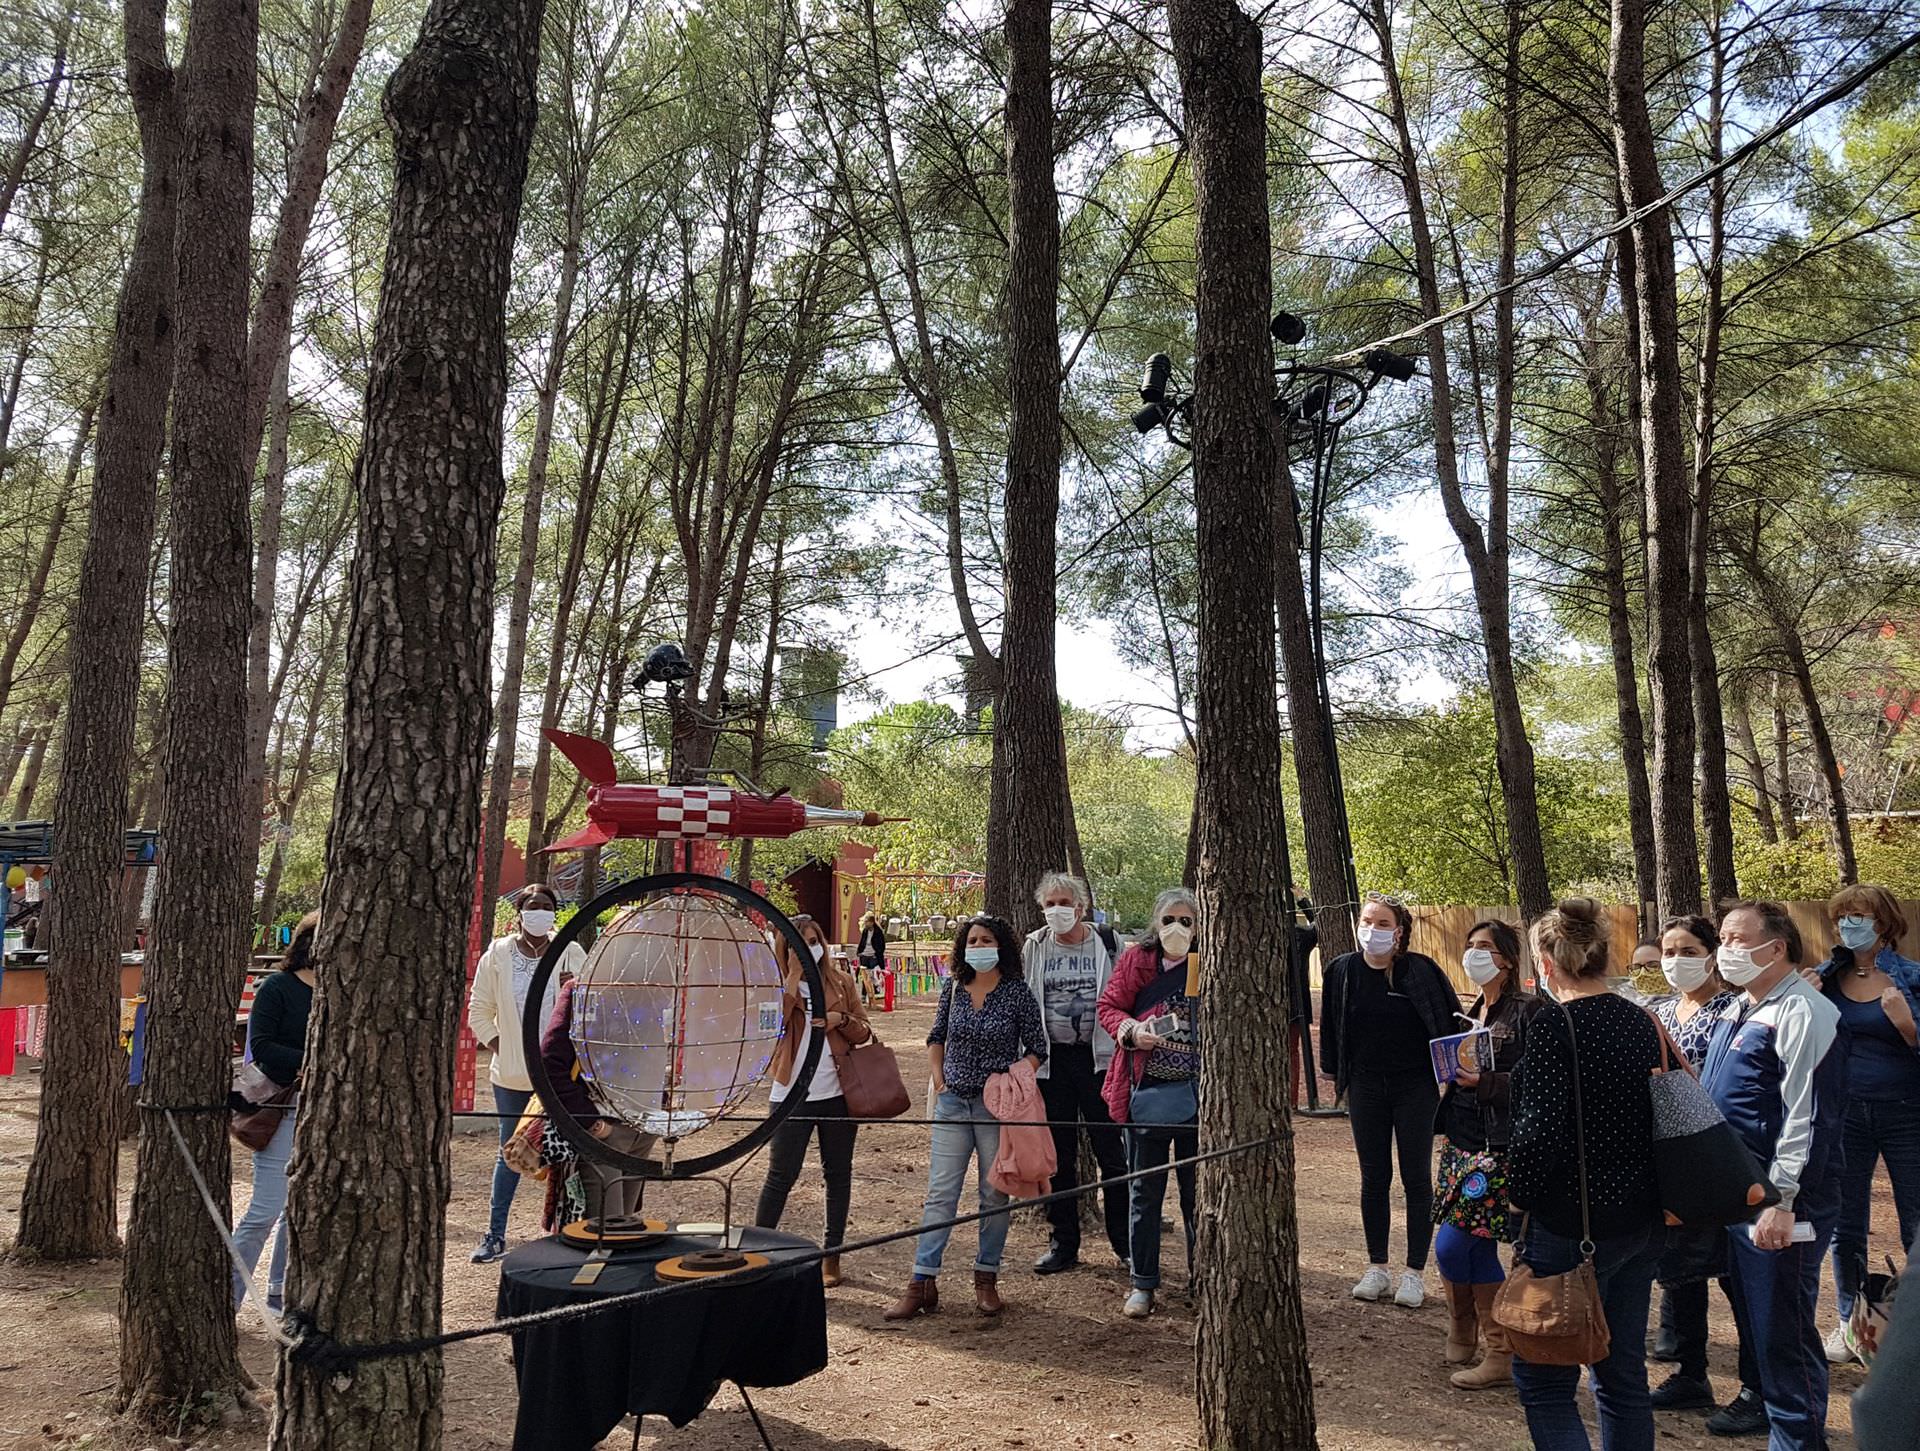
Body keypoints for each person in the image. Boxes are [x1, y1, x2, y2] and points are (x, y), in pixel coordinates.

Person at [1508, 896, 1666, 1451]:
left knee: (1543, 1376)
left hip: (1571, 1223)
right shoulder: (1641, 1019)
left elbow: (1539, 1129)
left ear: (1546, 963)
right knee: (1621, 1373)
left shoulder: (1558, 1025)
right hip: (1640, 1217)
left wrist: (1516, 1199)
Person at [1701, 900, 1848, 1451]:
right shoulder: (1741, 1007)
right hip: (1738, 1192)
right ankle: (1778, 1424)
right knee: (1758, 1324)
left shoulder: (1803, 1012)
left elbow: (1806, 1117)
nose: (1726, 949)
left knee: (1783, 1329)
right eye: (1722, 938)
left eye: (1737, 938)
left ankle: (1798, 1440)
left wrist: (1782, 1201)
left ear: (1776, 946)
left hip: (1783, 1201)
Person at [887, 914, 1047, 1320]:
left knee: (994, 1194)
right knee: (941, 1193)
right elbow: (936, 1036)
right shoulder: (954, 988)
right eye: (973, 940)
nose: (979, 946)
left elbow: (1038, 1047)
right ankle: (922, 1281)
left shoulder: (1016, 993)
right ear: (963, 947)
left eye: (987, 939)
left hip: (996, 1108)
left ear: (1001, 946)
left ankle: (986, 1277)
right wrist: (939, 1078)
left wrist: (1015, 1074)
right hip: (953, 1103)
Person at [1645, 914, 1761, 1424]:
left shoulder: (1732, 1012)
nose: (1676, 961)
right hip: (1671, 1162)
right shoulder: (1658, 1011)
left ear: (1711, 955)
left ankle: (1756, 1386)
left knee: (1736, 1274)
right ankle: (1691, 1373)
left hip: (1721, 1156)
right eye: (1669, 952)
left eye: (1688, 951)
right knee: (1682, 1271)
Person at [1320, 891, 1461, 1308]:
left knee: (1416, 1177)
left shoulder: (1421, 972)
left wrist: (1453, 1078)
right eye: (1367, 921)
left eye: (1383, 924)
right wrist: (1334, 1073)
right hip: (1365, 1086)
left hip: (1415, 1087)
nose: (1373, 930)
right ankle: (1377, 1267)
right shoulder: (1341, 970)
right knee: (1373, 1176)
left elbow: (1449, 1021)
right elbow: (1331, 1024)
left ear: (1399, 933)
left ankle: (1414, 1273)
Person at [1810, 883, 1919, 1367]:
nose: (1849, 924)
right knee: (1844, 1224)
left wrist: (1908, 1026)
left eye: (1860, 915)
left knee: (1915, 1221)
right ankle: (1853, 1325)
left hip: (1905, 1113)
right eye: (1842, 917)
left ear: (1885, 923)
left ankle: (1911, 1330)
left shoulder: (1912, 978)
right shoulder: (1824, 979)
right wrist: (1805, 1000)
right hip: (1844, 1114)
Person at [1433, 917, 1542, 1390]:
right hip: (1460, 1141)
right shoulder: (1474, 1007)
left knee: (1456, 1245)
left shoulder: (1530, 1011)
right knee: (1465, 1246)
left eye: (1486, 948)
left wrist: (1487, 1084)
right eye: (1471, 945)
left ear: (1508, 960)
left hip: (1498, 1148)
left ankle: (1499, 1348)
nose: (1475, 954)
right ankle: (1470, 1329)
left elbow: (1542, 1085)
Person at [1097, 887, 1204, 1319]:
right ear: (1155, 924)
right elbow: (1109, 1006)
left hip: (1199, 1097)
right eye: (1168, 920)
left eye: (1186, 920)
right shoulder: (1137, 961)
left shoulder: (1207, 960)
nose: (1176, 929)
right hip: (1147, 1091)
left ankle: (1204, 1278)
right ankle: (1143, 1283)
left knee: (1199, 1194)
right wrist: (1129, 1030)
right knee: (1144, 1192)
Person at [754, 913, 872, 1287]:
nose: (810, 947)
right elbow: (768, 1030)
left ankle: (831, 1256)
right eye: (800, 941)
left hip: (838, 1094)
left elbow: (865, 1031)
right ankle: (758, 1252)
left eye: (814, 939)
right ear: (787, 947)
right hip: (791, 1095)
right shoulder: (772, 985)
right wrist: (791, 979)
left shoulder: (841, 981)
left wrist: (840, 1019)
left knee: (838, 1175)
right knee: (780, 1176)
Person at [468, 884, 583, 1264]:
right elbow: (479, 1009)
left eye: (547, 906)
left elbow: (589, 1008)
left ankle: (567, 1235)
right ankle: (494, 1234)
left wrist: (572, 987)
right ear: (519, 912)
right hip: (512, 1078)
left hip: (560, 1077)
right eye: (533, 906)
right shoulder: (498, 954)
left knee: (567, 1156)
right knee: (512, 1154)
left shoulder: (570, 950)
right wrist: (503, 1046)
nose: (540, 912)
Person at [1020, 871, 1128, 1275]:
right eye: (1050, 904)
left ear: (1081, 907)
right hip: (1053, 1064)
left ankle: (1125, 1243)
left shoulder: (1107, 942)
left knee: (1113, 1156)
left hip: (1100, 1061)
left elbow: (1126, 990)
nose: (1057, 911)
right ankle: (1063, 1243)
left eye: (1065, 903)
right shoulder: (1035, 946)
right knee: (1059, 1158)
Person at [232, 911, 319, 1313]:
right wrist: (311, 1061)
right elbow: (262, 1045)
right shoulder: (277, 987)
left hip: (325, 1109)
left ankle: (281, 1291)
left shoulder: (339, 990)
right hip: (283, 1104)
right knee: (266, 1209)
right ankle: (228, 1296)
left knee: (300, 1208)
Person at [539, 972, 656, 1227]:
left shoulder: (653, 989)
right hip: (604, 1131)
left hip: (641, 1126)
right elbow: (549, 1063)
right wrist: (591, 1122)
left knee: (628, 1226)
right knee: (606, 1228)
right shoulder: (581, 990)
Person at [856, 909, 888, 1004]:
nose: (866, 924)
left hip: (873, 956)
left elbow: (882, 946)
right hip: (864, 955)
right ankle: (863, 995)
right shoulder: (865, 931)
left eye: (867, 922)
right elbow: (862, 942)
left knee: (873, 976)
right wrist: (859, 952)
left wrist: (877, 954)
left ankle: (875, 994)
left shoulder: (878, 932)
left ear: (872, 922)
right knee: (865, 977)